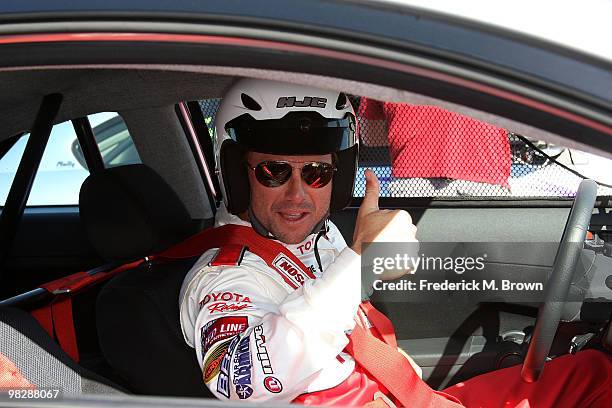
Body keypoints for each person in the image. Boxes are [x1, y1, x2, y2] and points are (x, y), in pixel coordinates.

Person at [179, 79, 612, 406]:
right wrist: (360, 264)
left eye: (318, 173)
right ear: (237, 173)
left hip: (398, 395)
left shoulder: (314, 236)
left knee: (596, 373)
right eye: (273, 172)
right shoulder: (225, 277)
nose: (298, 195)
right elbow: (241, 379)